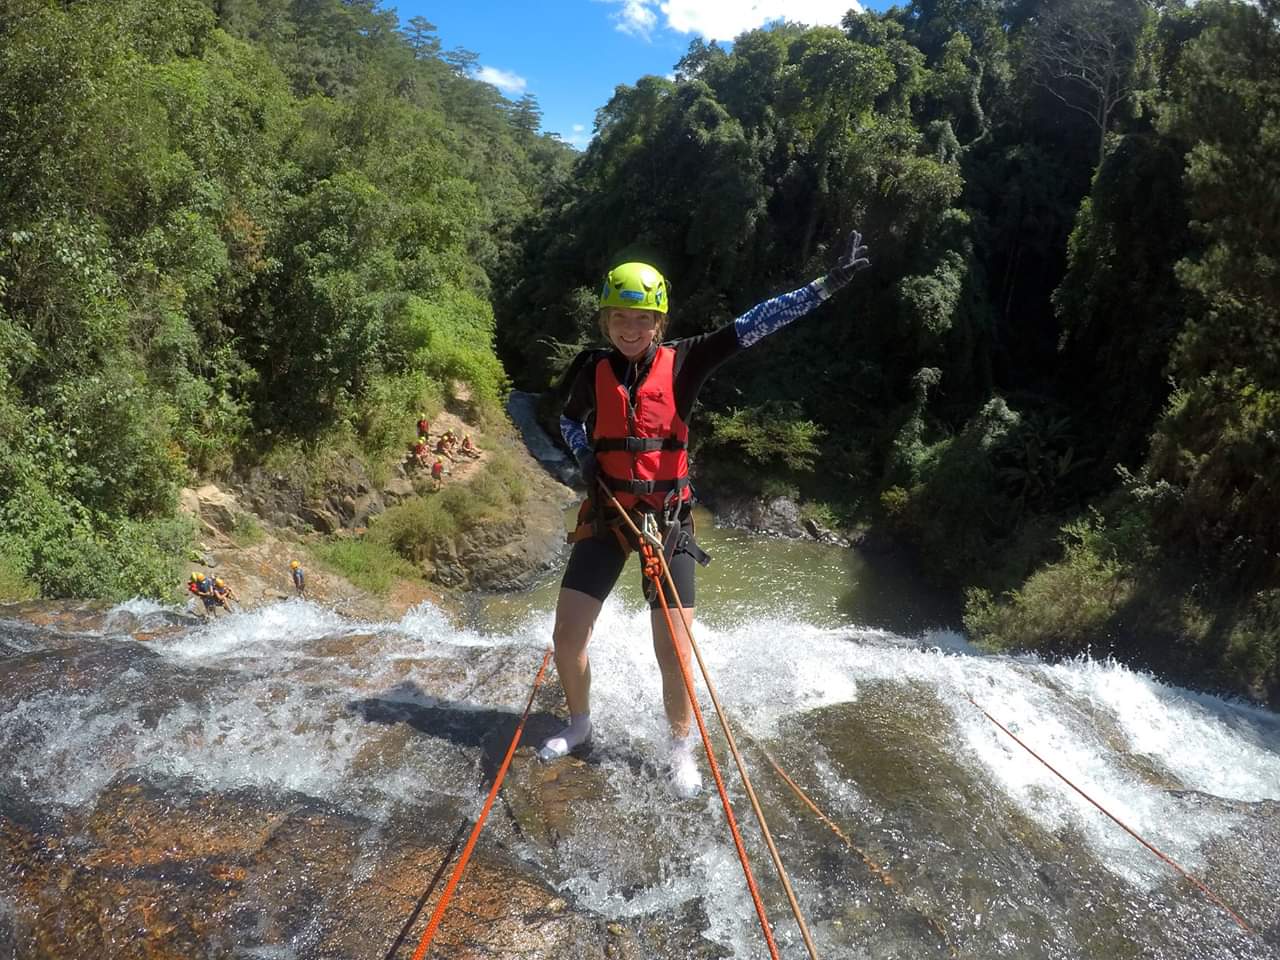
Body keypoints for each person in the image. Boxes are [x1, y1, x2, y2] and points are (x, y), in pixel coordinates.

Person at [537, 232, 871, 798]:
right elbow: (570, 421)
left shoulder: (687, 360)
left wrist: (824, 286)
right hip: (609, 516)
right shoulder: (591, 368)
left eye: (641, 319)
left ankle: (679, 747)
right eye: (619, 317)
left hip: (667, 523)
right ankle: (580, 725)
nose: (629, 328)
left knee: (673, 649)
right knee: (567, 635)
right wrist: (585, 455)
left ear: (659, 322)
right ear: (605, 320)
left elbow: (753, 325)